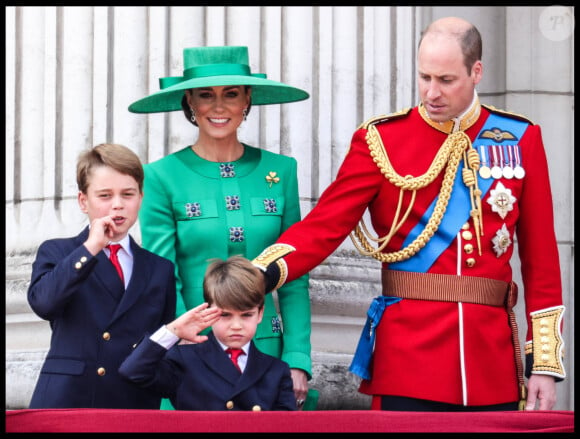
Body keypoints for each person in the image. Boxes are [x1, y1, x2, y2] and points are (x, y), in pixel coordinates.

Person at [251, 17, 565, 412]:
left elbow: (542, 262)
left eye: (446, 80)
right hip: (409, 361)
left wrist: (545, 365)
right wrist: (258, 272)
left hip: (492, 364)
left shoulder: (519, 138)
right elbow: (323, 226)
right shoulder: (382, 140)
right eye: (424, 77)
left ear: (476, 72)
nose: (431, 92)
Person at [128, 45, 316, 410]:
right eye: (205, 96)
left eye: (231, 94)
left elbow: (295, 274)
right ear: (189, 102)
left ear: (247, 99)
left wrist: (297, 359)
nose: (218, 107)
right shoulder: (161, 177)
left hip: (267, 353)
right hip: (196, 352)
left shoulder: (282, 171)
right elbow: (163, 278)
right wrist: (188, 345)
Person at [27, 143, 177, 409]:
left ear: (141, 198)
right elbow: (44, 303)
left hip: (133, 400)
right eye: (105, 195)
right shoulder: (60, 251)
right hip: (70, 399)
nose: (117, 205)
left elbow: (159, 344)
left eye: (127, 194)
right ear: (84, 201)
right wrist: (91, 247)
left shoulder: (159, 268)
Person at [119, 255, 297, 411]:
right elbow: (133, 371)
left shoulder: (276, 371)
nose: (236, 325)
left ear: (260, 313)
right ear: (208, 311)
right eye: (225, 315)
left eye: (246, 315)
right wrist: (172, 330)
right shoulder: (185, 360)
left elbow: (285, 425)